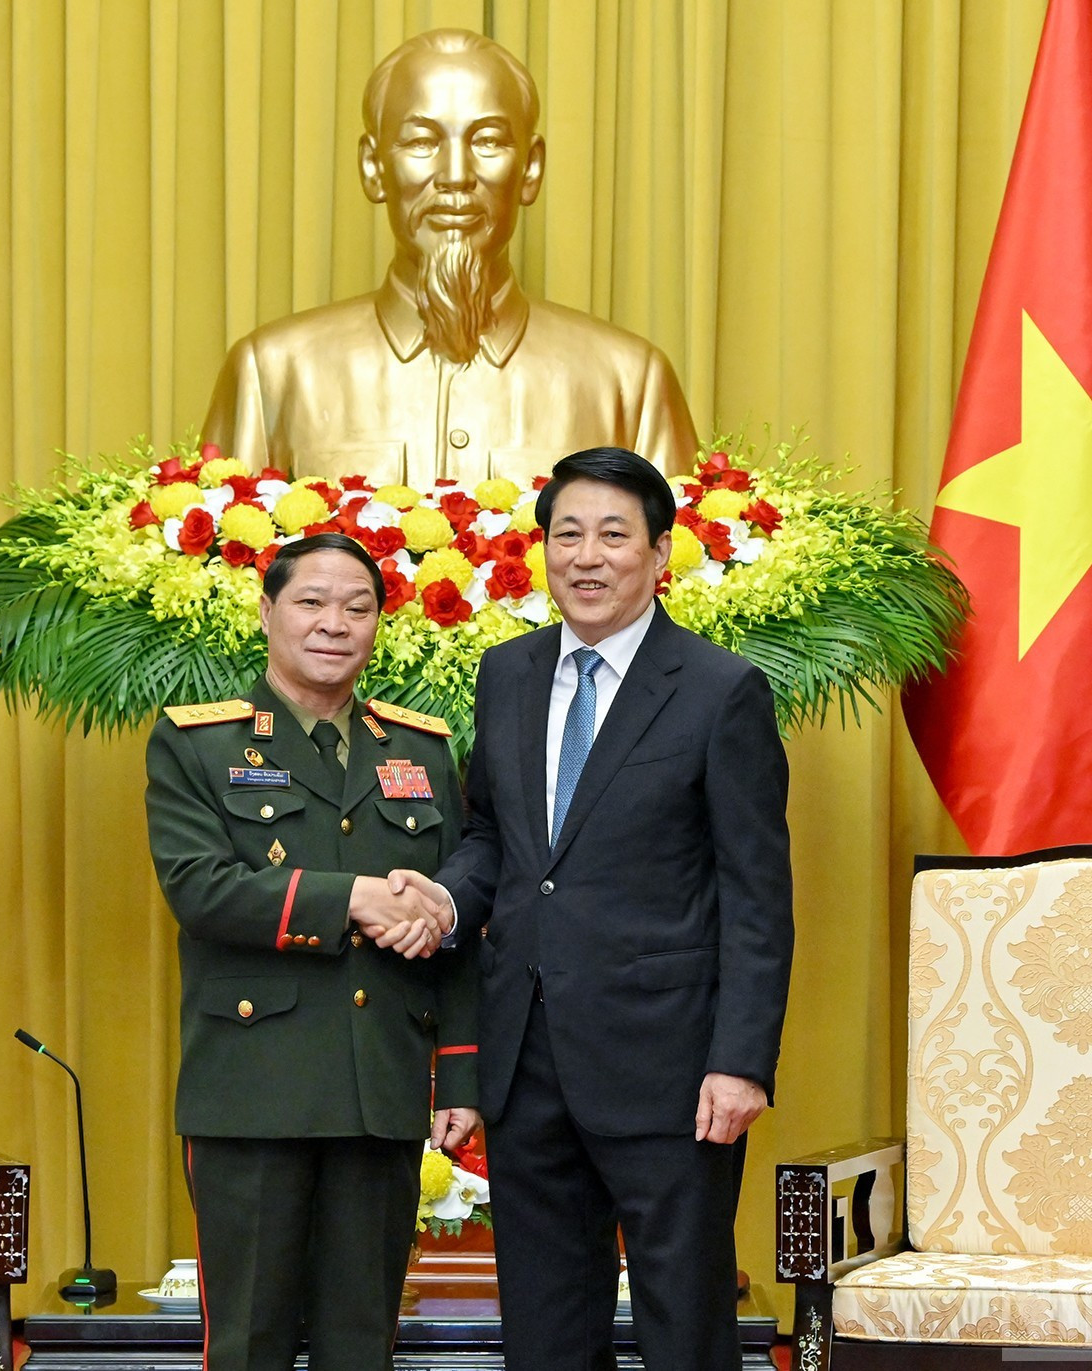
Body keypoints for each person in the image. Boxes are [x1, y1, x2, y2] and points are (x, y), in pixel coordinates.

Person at [393, 449, 794, 1371]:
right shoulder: (509, 674)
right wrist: (446, 898)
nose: (586, 554)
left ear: (661, 555)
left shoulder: (719, 690)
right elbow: (496, 836)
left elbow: (757, 895)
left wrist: (740, 1062)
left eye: (614, 534)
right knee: (544, 1329)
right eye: (566, 533)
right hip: (528, 1057)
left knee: (683, 1325)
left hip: (671, 1070)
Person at [144, 532, 479, 1371]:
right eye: (312, 602)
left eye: (358, 607)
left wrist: (461, 1074)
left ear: (378, 625)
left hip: (382, 1089)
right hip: (255, 1088)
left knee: (362, 1343)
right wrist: (361, 899)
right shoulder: (199, 743)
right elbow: (201, 888)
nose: (335, 623)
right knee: (251, 1340)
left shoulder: (421, 750)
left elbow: (462, 929)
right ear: (267, 613)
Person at [201, 29, 699, 490]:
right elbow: (221, 578)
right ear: (374, 168)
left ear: (531, 168)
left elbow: (672, 571)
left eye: (487, 141)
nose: (455, 175)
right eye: (421, 141)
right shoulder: (271, 373)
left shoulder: (630, 382)